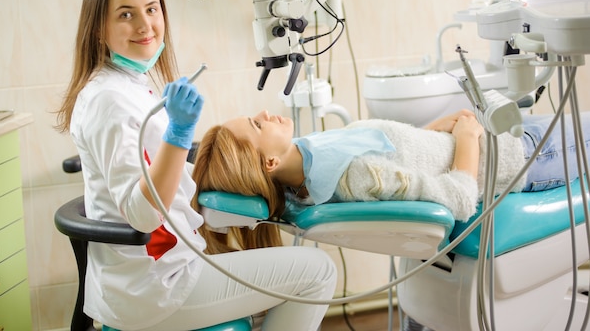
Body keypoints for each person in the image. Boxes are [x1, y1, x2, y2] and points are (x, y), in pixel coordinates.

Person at [55, 0, 337, 331]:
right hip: (157, 289)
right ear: (98, 29)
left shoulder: (127, 85)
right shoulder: (110, 100)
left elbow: (155, 173)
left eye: (152, 9)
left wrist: (206, 164)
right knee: (317, 272)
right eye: (126, 14)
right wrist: (179, 132)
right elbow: (141, 214)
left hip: (153, 276)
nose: (145, 26)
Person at [191, 108, 590, 253]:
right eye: (258, 124)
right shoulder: (350, 177)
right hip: (523, 159)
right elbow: (458, 197)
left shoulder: (312, 160)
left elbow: (396, 154)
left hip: (500, 140)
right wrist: (467, 139)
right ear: (270, 162)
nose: (265, 112)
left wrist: (441, 130)